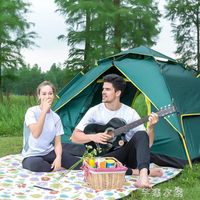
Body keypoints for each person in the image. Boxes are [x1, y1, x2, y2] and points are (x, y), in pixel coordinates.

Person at [71, 74, 163, 189]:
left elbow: (147, 143)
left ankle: (143, 177)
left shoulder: (130, 112)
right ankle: (140, 172)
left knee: (141, 133)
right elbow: (75, 137)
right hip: (106, 157)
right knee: (96, 166)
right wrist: (93, 137)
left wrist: (151, 128)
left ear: (117, 93)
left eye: (107, 89)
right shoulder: (94, 111)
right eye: (103, 89)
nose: (103, 92)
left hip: (126, 154)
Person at [22, 81, 81, 172]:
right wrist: (44, 111)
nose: (47, 97)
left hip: (48, 152)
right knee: (37, 165)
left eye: (50, 93)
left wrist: (58, 157)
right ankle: (57, 167)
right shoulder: (32, 111)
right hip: (31, 155)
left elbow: (57, 143)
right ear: (39, 96)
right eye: (44, 94)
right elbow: (36, 134)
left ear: (53, 96)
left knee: (79, 164)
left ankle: (54, 165)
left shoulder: (56, 118)